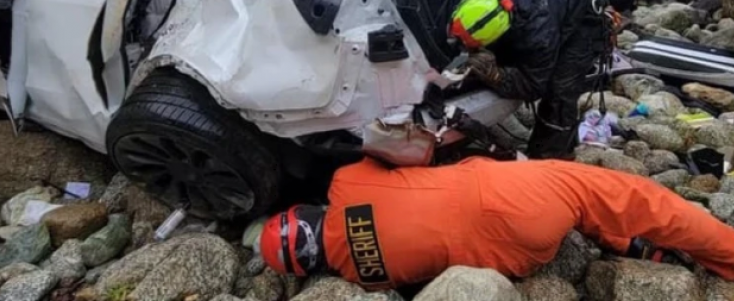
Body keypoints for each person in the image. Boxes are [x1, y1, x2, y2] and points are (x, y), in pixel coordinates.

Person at [258, 155, 734, 290]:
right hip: (512, 196)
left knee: (571, 214)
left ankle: (633, 248)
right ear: (304, 214)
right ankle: (727, 255)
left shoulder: (361, 276)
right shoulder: (346, 185)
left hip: (521, 259)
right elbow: (411, 153)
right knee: (636, 198)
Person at [439, 0, 611, 159]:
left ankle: (549, 157)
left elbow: (533, 85)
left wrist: (495, 75)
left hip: (581, 15)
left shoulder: (538, 34)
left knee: (560, 93)